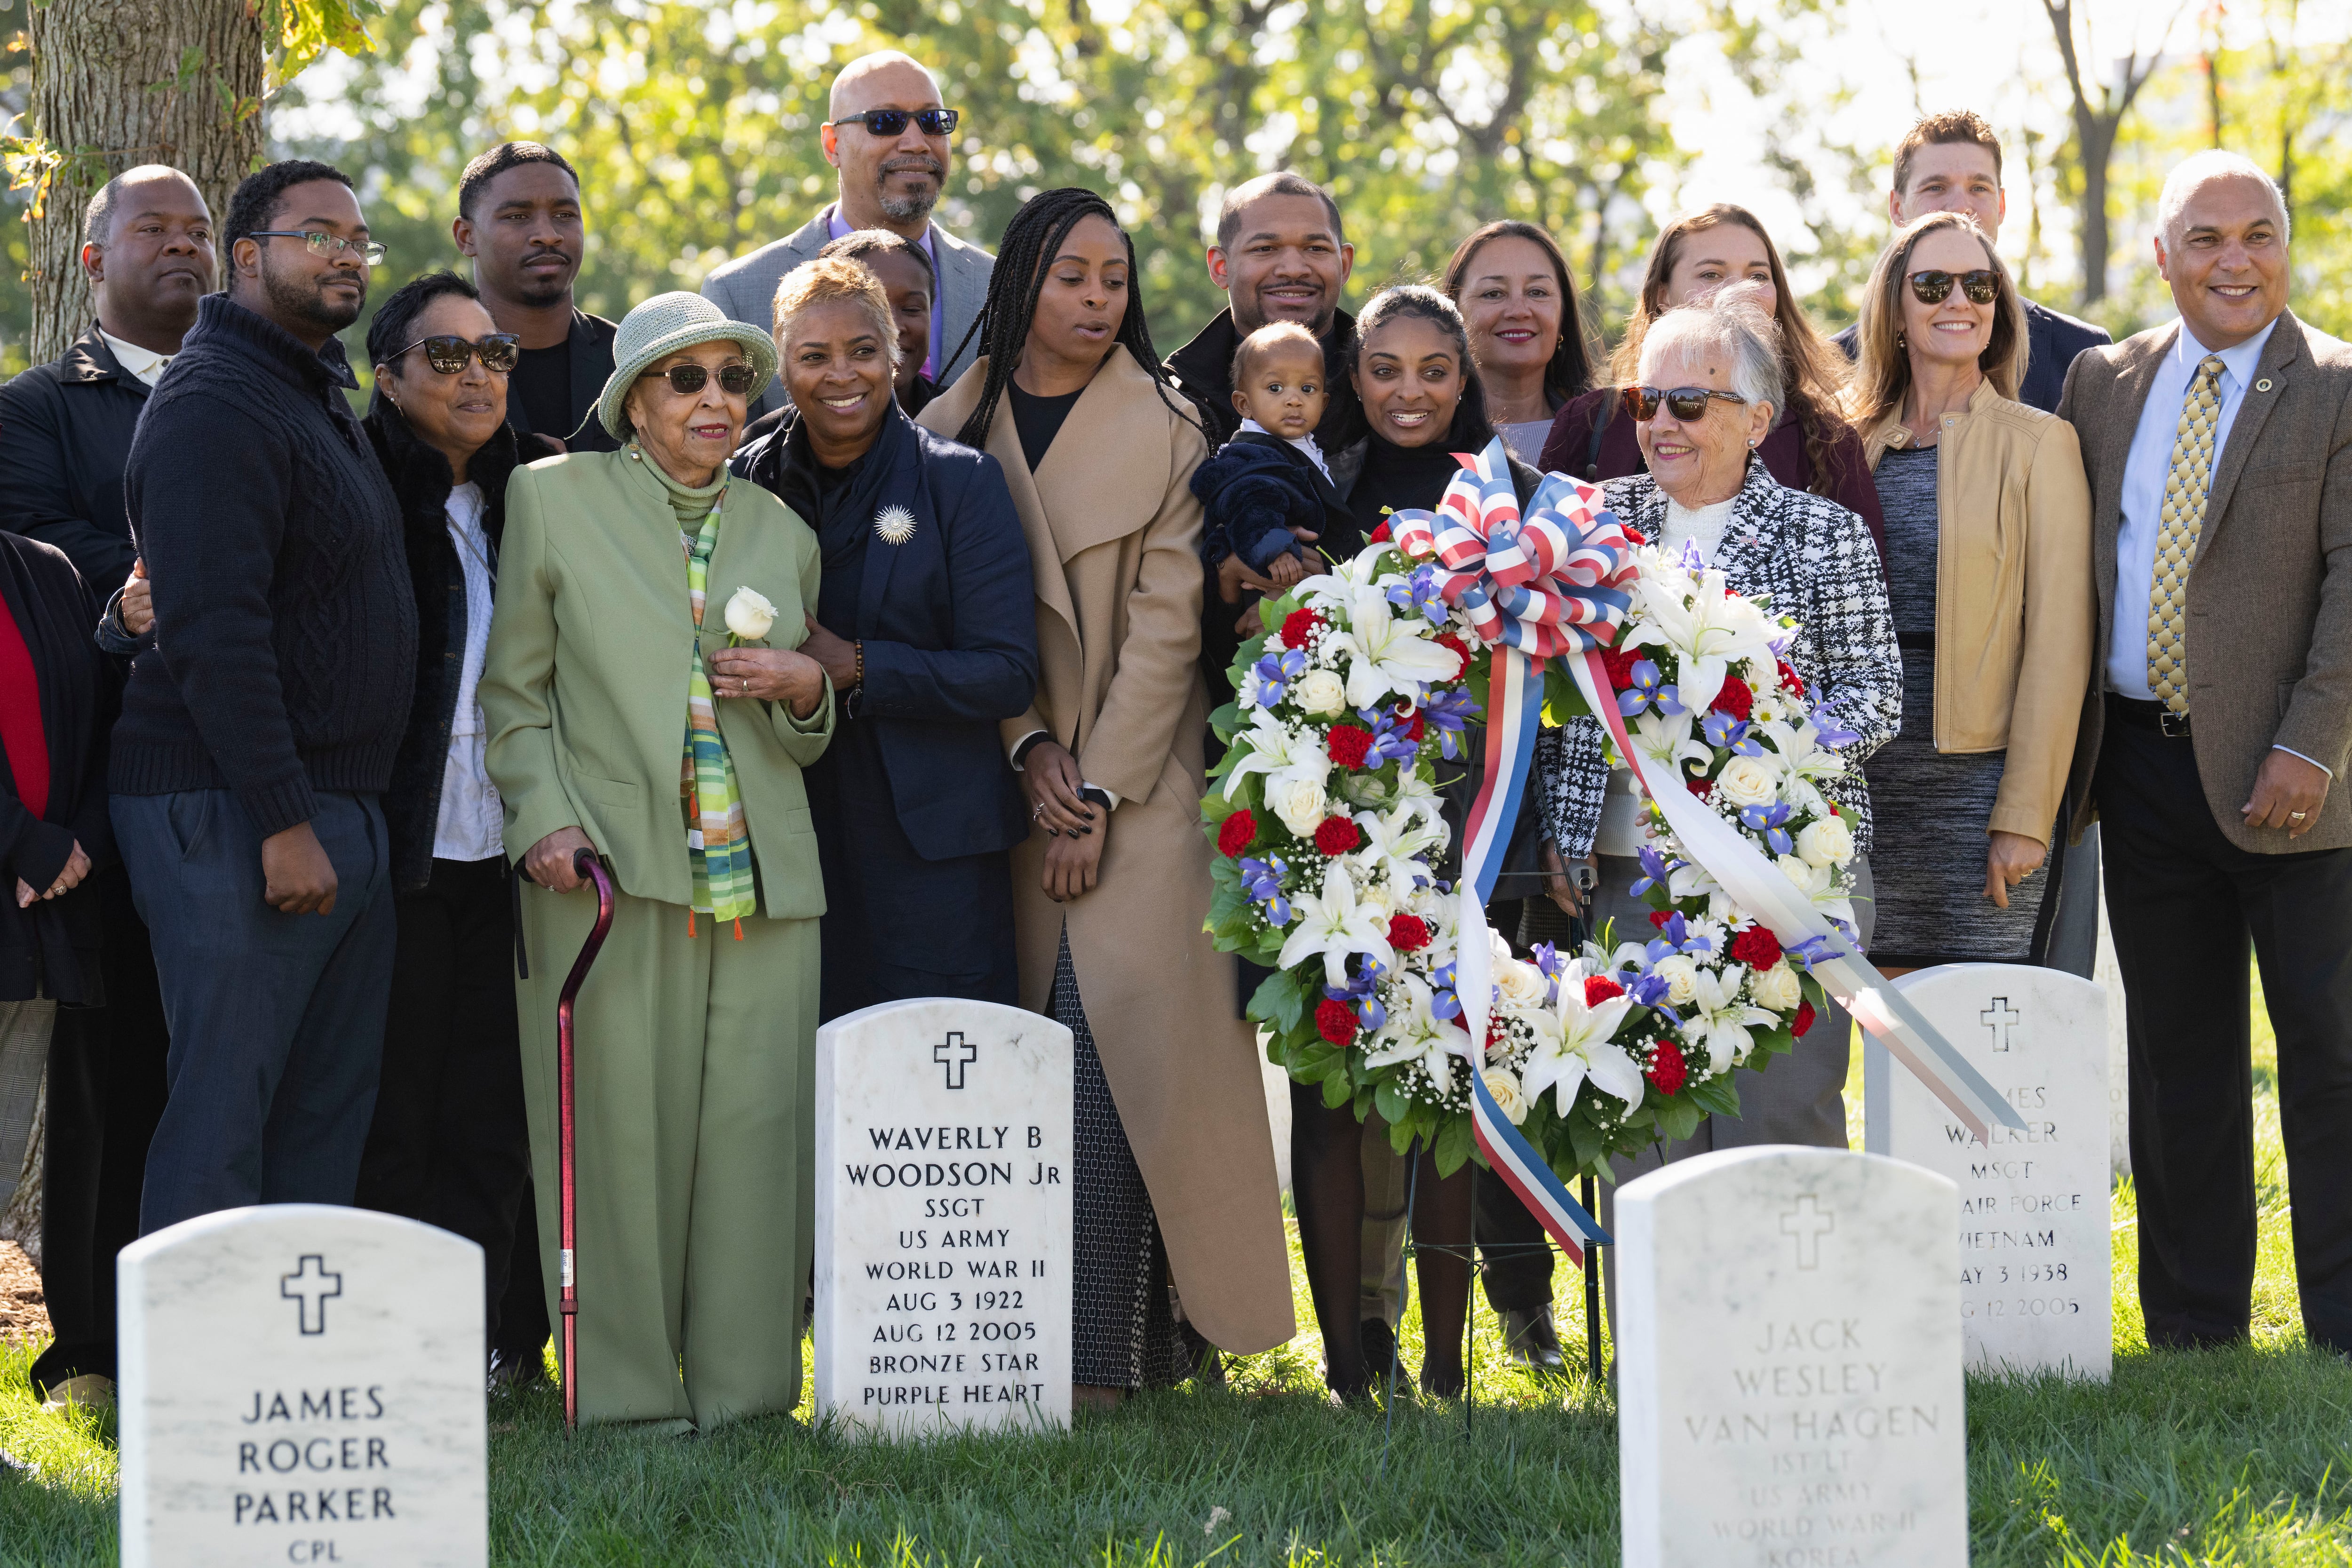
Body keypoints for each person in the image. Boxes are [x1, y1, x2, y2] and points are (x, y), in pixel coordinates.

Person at [917, 188, 1292, 1406]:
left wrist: (1095, 796)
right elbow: (955, 622)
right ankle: (1028, 1341)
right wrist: (1031, 754)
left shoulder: (1174, 431)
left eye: (1114, 280)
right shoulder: (947, 423)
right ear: (1023, 282)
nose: (1095, 299)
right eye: (1072, 275)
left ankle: (1131, 1352)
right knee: (1032, 1067)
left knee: (1129, 1059)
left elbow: (1165, 632)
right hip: (997, 784)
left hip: (1140, 787)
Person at [481, 291, 833, 1430]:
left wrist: (809, 689)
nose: (718, 401)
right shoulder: (550, 499)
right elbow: (514, 695)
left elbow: (800, 731)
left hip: (761, 883)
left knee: (754, 1134)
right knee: (615, 1140)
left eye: (735, 381)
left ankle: (745, 1395)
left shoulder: (785, 533)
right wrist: (540, 817)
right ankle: (626, 1399)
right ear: (632, 401)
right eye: (687, 381)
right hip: (604, 878)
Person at [2058, 151, 2352, 1354]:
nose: (2238, 260)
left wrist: (2309, 744)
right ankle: (2193, 1321)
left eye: (2260, 234)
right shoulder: (2100, 382)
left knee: (2329, 1050)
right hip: (2138, 765)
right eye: (2209, 237)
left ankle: (2339, 1317)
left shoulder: (2336, 383)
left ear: (2284, 248)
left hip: (2295, 778)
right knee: (2178, 1057)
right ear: (2166, 255)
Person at [1540, 292, 1899, 1192]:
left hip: (1786, 877)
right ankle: (1653, 1339)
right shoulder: (1588, 524)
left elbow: (1876, 696)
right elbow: (1552, 704)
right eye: (1645, 401)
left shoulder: (1825, 535)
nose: (1661, 423)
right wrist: (1565, 828)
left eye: (1689, 404)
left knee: (1781, 1127)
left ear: (1757, 419)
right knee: (1638, 1132)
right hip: (1624, 872)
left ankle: (1797, 1334)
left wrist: (1760, 768)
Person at [112, 159, 412, 1236]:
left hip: (333, 809)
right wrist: (285, 821)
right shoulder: (211, 403)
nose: (345, 253)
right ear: (246, 258)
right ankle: (185, 1393)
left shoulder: (307, 397)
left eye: (357, 237)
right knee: (225, 1113)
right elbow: (214, 632)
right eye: (317, 233)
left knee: (320, 1117)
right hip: (234, 806)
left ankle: (285, 1382)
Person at [1290, 283, 1573, 1396]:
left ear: (1465, 382)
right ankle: (1357, 1363)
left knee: (1456, 1084)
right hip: (1340, 834)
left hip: (1477, 819)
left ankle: (1452, 1368)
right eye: (1384, 369)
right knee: (1335, 1086)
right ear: (1352, 379)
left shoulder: (1520, 500)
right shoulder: (1322, 494)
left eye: (1433, 370)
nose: (1409, 390)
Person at [0, 164, 203, 1409]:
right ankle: (90, 1343)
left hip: (242, 779)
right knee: (105, 1067)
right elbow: (42, 565)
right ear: (93, 258)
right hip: (96, 788)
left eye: (199, 230)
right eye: (153, 227)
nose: (182, 246)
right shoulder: (33, 409)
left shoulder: (267, 394)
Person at [1834, 109, 2114, 979]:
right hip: (1867, 782)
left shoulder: (2042, 441)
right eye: (1932, 286)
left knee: (1988, 1044)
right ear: (1895, 302)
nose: (1958, 301)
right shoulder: (1849, 445)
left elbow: (2061, 645)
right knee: (1889, 1048)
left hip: (1982, 786)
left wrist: (2026, 811)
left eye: (1979, 286)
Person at [348, 271, 559, 1385]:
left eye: (493, 356)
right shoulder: (354, 485)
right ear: (387, 376)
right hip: (394, 852)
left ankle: (492, 1345)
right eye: (446, 356)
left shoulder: (540, 490)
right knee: (394, 1109)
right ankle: (393, 1347)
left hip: (513, 851)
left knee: (493, 1104)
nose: (477, 374)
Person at [732, 255, 1036, 1019]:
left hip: (932, 854)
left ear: (897, 355)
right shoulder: (743, 485)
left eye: (863, 351)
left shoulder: (961, 483)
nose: (843, 374)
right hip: (788, 830)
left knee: (933, 1091)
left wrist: (858, 666)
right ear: (779, 361)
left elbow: (1006, 673)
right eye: (814, 355)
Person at [1536, 205, 1885, 561]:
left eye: (1758, 276)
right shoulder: (1590, 422)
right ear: (1663, 294)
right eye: (1712, 274)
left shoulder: (1829, 442)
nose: (1738, 291)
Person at [702, 50, 993, 414]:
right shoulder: (738, 294)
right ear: (832, 145)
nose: (918, 142)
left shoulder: (1001, 285)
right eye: (887, 122)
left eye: (933, 121)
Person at [0, 529, 116, 1407]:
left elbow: (98, 720)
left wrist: (73, 844)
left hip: (37, 928)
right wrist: (24, 840)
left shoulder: (46, 569)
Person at [1834, 111, 2110, 416]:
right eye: (1936, 187)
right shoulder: (1834, 364)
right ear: (1897, 208)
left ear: (2001, 206)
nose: (1961, 206)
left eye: (1979, 188)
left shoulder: (2082, 353)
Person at [454, 141, 619, 454]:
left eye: (565, 214)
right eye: (518, 216)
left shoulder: (630, 359)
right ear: (466, 237)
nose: (547, 233)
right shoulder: (433, 363)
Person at [1190, 320, 1350, 588]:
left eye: (1307, 389)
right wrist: (1275, 549)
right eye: (1275, 388)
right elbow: (1250, 507)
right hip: (1270, 576)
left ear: (1323, 403)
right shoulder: (1251, 457)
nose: (1294, 400)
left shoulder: (1302, 446)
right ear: (1245, 403)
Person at [1441, 219, 1597, 466]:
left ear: (1563, 317)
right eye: (1493, 293)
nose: (1519, 311)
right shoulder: (1422, 438)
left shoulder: (1609, 437)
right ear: (1453, 312)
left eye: (1537, 292)